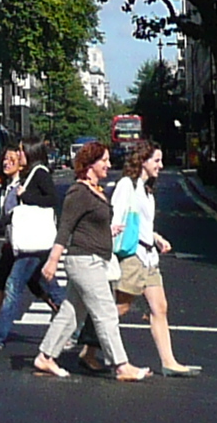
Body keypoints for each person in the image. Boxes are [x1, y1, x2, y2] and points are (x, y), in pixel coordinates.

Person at [33, 141, 147, 381]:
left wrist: (109, 229)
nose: (108, 164)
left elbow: (92, 224)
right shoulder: (78, 192)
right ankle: (121, 365)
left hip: (96, 259)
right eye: (103, 160)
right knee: (106, 311)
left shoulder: (97, 190)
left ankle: (45, 356)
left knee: (72, 312)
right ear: (90, 164)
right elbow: (65, 228)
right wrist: (52, 261)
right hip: (84, 261)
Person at [111, 143, 200, 376]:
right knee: (119, 308)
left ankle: (168, 362)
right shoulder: (126, 185)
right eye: (157, 160)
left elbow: (141, 224)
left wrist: (157, 238)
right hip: (132, 256)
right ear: (143, 160)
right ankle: (86, 343)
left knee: (160, 307)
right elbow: (116, 218)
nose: (161, 165)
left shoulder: (145, 188)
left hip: (149, 257)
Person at [0, 143, 68, 352]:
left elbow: (51, 199)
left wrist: (25, 195)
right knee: (49, 289)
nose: (19, 154)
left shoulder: (39, 173)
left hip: (33, 244)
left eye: (22, 151)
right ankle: (76, 329)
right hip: (30, 244)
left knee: (13, 287)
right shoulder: (33, 174)